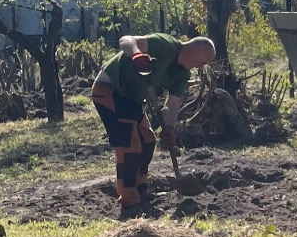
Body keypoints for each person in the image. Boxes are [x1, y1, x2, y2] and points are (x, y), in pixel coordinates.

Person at [90, 33, 218, 218]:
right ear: (192, 51)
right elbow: (126, 40)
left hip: (132, 99)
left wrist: (170, 129)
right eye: (201, 61)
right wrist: (136, 54)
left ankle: (140, 188)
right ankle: (129, 203)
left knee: (148, 140)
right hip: (110, 90)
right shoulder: (165, 45)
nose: (200, 67)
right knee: (130, 146)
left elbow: (171, 105)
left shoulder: (182, 74)